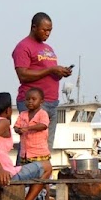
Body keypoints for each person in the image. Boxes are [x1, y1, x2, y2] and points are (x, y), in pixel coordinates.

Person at [12, 12, 72, 149]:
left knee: (45, 147)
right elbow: (23, 75)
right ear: (34, 27)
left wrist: (60, 72)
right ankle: (23, 171)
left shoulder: (48, 48)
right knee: (30, 146)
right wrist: (51, 70)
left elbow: (46, 73)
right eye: (44, 30)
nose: (47, 33)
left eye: (50, 30)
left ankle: (43, 171)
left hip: (51, 102)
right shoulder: (23, 47)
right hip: (33, 102)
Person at [13, 86, 52, 200]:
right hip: (25, 154)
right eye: (27, 99)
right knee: (29, 181)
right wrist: (18, 130)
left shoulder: (42, 113)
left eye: (33, 99)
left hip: (39, 153)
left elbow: (43, 125)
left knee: (42, 181)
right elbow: (16, 126)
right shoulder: (23, 114)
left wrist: (27, 128)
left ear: (41, 101)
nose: (30, 101)